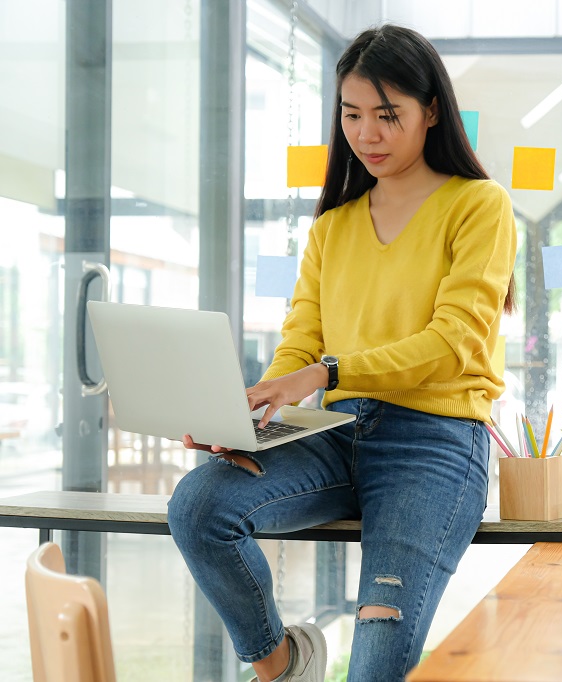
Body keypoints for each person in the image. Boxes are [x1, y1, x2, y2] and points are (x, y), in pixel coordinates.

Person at [167, 24, 517, 682]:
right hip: (332, 432)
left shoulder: (479, 206)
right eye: (352, 115)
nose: (368, 135)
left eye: (388, 115)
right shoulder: (333, 225)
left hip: (434, 442)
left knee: (377, 658)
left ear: (430, 111)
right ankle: (283, 662)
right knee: (199, 507)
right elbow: (301, 337)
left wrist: (327, 372)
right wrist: (252, 418)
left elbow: (451, 345)